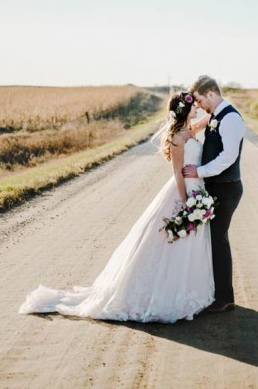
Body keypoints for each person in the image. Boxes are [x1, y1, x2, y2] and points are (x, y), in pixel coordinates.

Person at [19, 92, 214, 323]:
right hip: (183, 193)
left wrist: (218, 107)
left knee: (189, 244)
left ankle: (190, 291)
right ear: (184, 110)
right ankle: (164, 295)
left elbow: (210, 118)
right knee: (173, 241)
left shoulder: (190, 129)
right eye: (193, 105)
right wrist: (184, 202)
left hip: (196, 190)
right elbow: (176, 172)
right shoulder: (178, 138)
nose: (197, 108)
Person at [183, 75, 245, 313]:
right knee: (212, 239)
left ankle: (224, 298)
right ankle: (216, 292)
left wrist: (199, 171)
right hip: (216, 187)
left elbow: (228, 157)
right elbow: (199, 124)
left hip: (227, 187)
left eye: (199, 100)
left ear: (210, 94)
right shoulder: (216, 114)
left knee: (218, 239)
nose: (198, 106)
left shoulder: (230, 119)